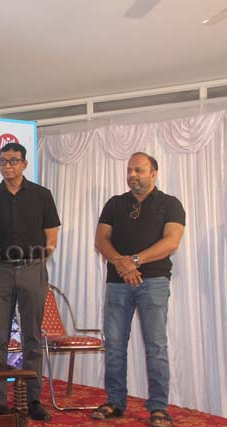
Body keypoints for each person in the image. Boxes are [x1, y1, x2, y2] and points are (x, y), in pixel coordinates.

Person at [92, 153, 184, 427]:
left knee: (156, 346)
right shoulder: (114, 203)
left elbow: (171, 242)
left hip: (153, 282)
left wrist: (134, 260)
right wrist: (122, 264)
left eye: (139, 170)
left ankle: (159, 407)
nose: (132, 175)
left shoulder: (170, 204)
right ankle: (115, 401)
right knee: (115, 345)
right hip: (117, 282)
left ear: (153, 174)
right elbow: (101, 240)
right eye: (129, 170)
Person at [0, 142, 60, 421]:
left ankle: (32, 400)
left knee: (32, 337)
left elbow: (51, 236)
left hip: (32, 270)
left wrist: (34, 261)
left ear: (24, 164)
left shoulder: (42, 195)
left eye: (12, 161)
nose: (7, 166)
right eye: (2, 161)